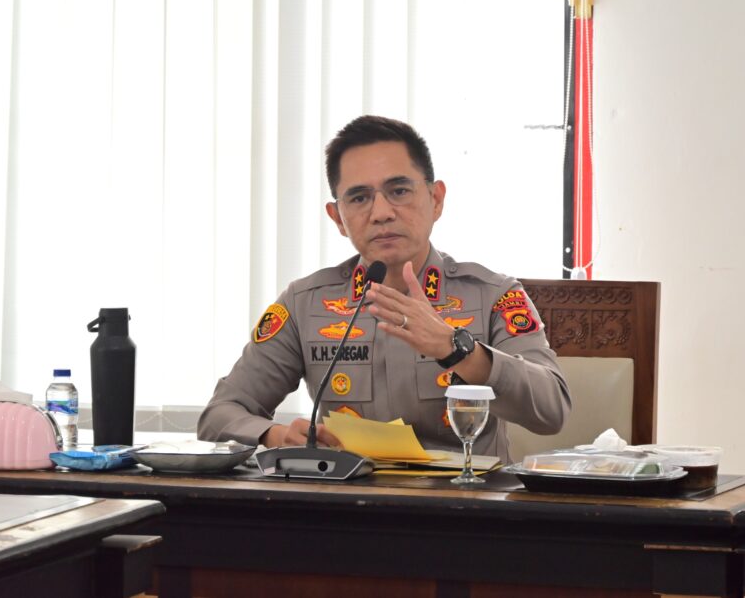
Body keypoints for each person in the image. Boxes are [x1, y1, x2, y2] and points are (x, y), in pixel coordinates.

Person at [198, 115, 570, 461]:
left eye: (399, 191)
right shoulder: (305, 303)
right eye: (359, 198)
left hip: (463, 503)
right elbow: (219, 415)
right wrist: (276, 435)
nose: (381, 213)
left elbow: (552, 409)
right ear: (338, 218)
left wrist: (457, 349)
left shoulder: (492, 295)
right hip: (345, 501)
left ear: (436, 199)